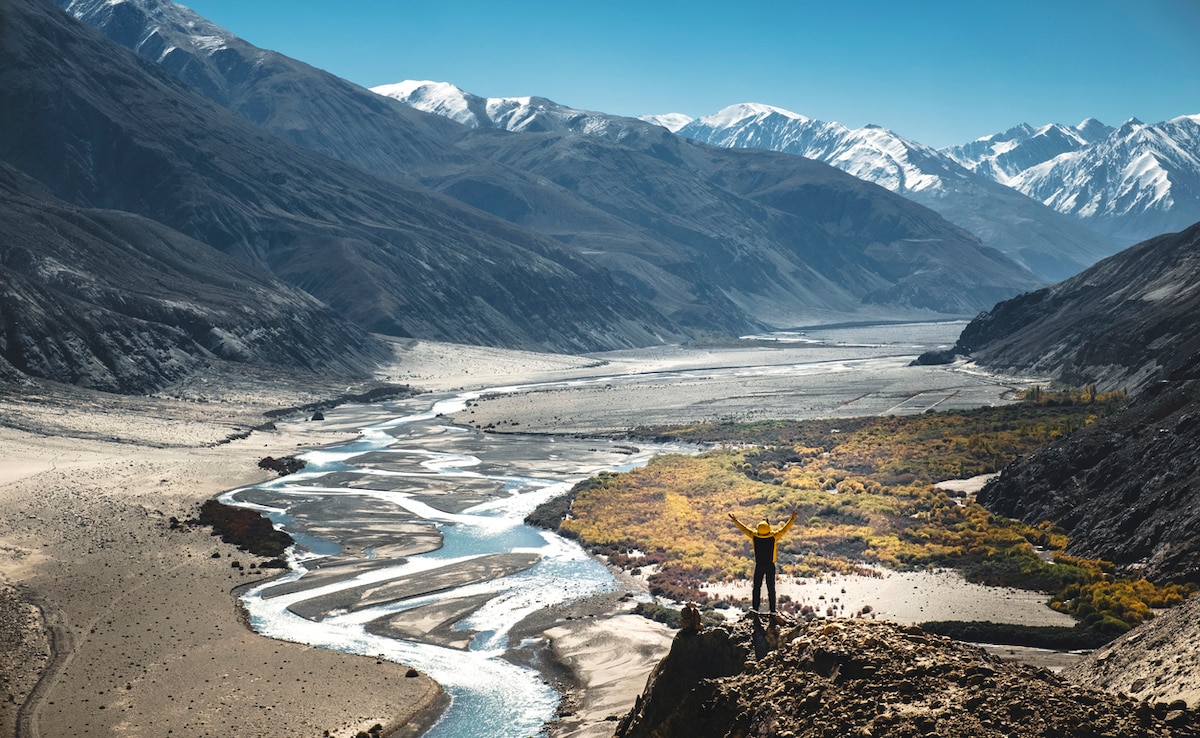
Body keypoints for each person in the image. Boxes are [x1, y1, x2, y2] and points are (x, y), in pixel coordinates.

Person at [729, 510, 798, 614]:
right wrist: (792, 519)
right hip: (770, 565)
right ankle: (773, 610)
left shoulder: (754, 535)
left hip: (759, 565)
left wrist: (735, 520)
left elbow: (744, 528)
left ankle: (755, 608)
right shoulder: (774, 536)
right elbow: (785, 529)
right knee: (771, 588)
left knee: (756, 587)